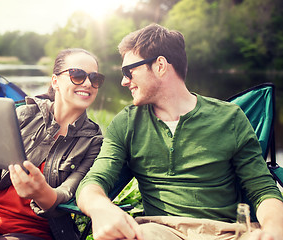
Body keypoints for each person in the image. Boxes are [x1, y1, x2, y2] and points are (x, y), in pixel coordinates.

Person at [76, 24, 283, 240]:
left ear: (160, 65)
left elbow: (262, 190)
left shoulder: (230, 118)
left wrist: (274, 231)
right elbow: (93, 182)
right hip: (158, 232)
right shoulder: (126, 123)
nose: (124, 81)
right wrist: (100, 208)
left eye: (129, 71)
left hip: (226, 233)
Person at [0, 48, 105, 240]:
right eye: (78, 75)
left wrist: (41, 192)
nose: (88, 83)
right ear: (55, 81)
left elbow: (67, 193)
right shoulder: (22, 115)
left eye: (95, 78)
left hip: (32, 229)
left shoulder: (93, 142)